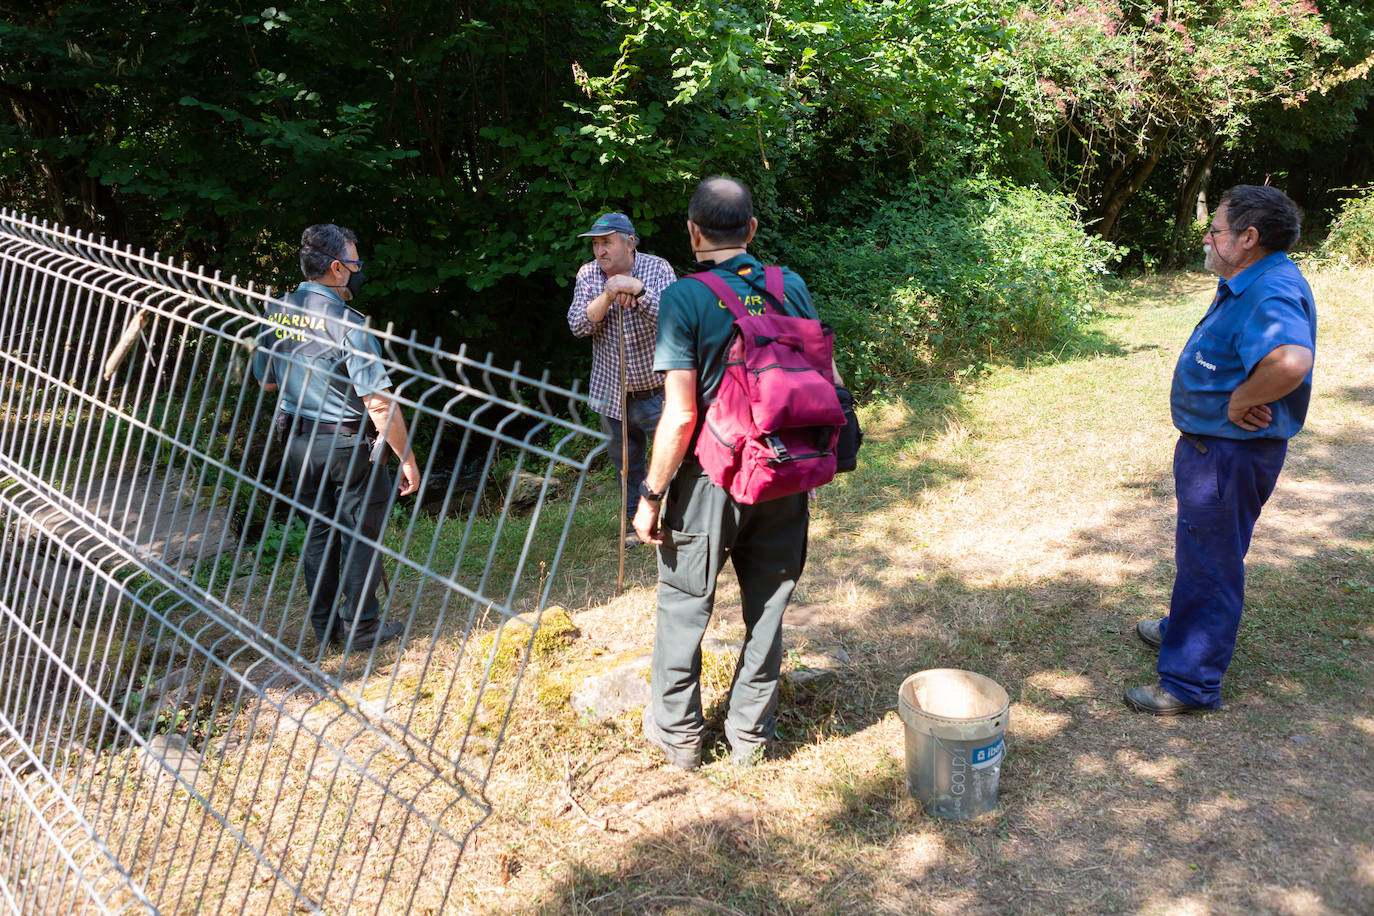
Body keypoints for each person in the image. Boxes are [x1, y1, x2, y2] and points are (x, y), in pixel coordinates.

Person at [632, 176, 816, 768]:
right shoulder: (792, 287)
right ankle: (749, 738)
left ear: (692, 233)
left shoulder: (684, 298)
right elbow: (825, 382)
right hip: (785, 472)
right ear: (752, 231)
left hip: (712, 480)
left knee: (685, 603)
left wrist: (652, 493)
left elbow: (682, 413)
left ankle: (680, 736)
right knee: (769, 605)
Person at [1126, 185, 1317, 715]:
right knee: (1202, 551)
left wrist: (1240, 401)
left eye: (1216, 230)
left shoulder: (1269, 290)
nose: (1207, 238)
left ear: (1248, 238)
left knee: (1212, 562)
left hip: (1229, 454)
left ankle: (1189, 683)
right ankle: (1179, 630)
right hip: (1215, 454)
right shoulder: (1247, 277)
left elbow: (1291, 360)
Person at [253, 224, 422, 653]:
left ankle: (327, 631)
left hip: (298, 444)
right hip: (348, 447)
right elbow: (379, 401)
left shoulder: (278, 312)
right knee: (360, 533)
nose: (358, 270)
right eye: (354, 263)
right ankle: (363, 628)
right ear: (336, 268)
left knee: (317, 535)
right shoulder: (348, 323)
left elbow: (266, 383)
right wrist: (406, 458)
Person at [567, 212, 677, 546]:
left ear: (630, 242)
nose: (599, 251)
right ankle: (635, 527)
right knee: (626, 466)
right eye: (596, 244)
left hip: (658, 389)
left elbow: (675, 319)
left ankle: (674, 523)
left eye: (607, 242)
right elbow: (578, 325)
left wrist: (638, 292)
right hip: (611, 392)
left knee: (672, 462)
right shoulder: (588, 274)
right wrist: (609, 294)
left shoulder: (658, 269)